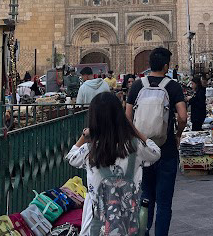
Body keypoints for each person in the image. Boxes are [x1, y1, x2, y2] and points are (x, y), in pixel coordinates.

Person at [67, 92, 161, 236]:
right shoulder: (135, 147)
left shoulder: (89, 150)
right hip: (128, 225)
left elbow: (71, 157)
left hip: (98, 225)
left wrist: (85, 136)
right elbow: (156, 152)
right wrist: (135, 131)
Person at [126, 47, 187, 236]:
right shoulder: (173, 86)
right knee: (164, 202)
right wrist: (178, 134)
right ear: (166, 66)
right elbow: (183, 117)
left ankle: (143, 232)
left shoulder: (137, 85)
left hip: (143, 151)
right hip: (166, 150)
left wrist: (140, 137)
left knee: (145, 198)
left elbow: (127, 117)